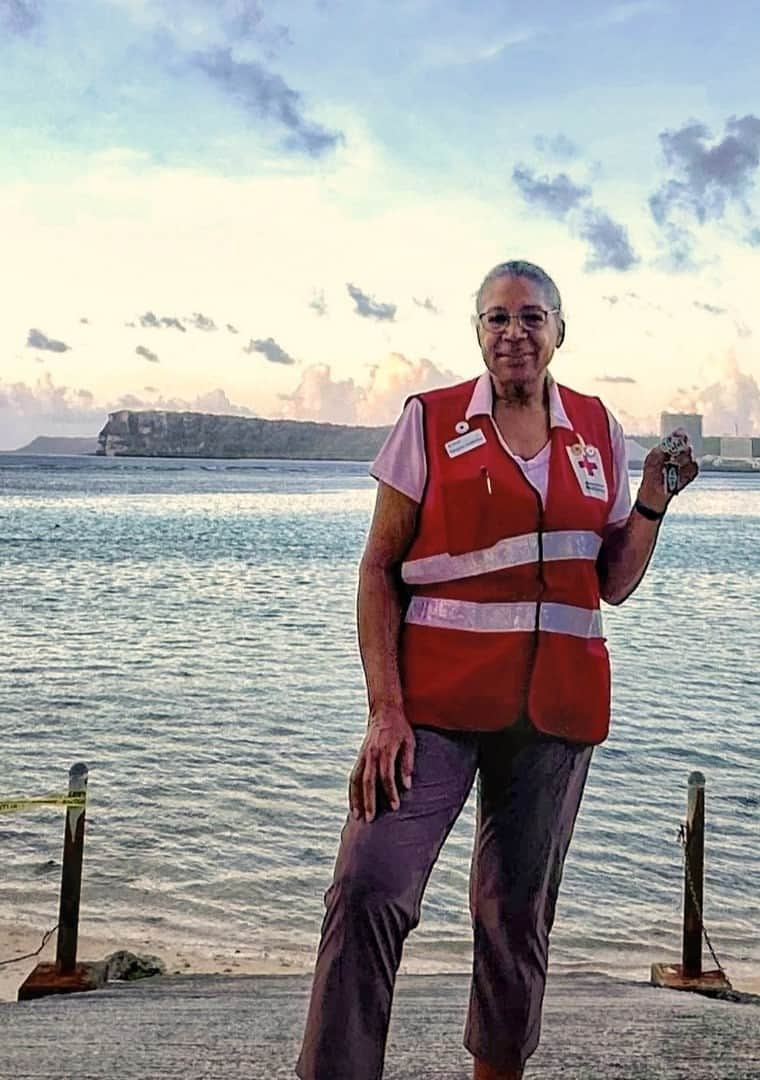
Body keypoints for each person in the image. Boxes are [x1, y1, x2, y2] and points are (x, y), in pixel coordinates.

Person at [296, 259, 699, 1080]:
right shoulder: (430, 419)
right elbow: (378, 570)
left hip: (556, 716)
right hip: (433, 710)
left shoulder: (596, 428)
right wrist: (385, 711)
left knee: (517, 919)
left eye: (530, 317)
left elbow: (613, 582)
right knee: (370, 886)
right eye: (496, 318)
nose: (513, 333)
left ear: (559, 330)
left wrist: (652, 501)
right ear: (476, 331)